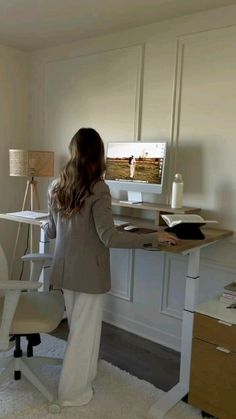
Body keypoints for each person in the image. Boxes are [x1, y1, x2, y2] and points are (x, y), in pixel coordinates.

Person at [41, 128, 178, 408]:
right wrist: (153, 237)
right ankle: (72, 393)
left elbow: (52, 230)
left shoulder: (56, 186)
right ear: (98, 154)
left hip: (65, 271)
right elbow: (110, 237)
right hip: (90, 273)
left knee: (79, 329)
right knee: (84, 332)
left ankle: (83, 376)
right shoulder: (99, 188)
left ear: (73, 152)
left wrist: (45, 221)